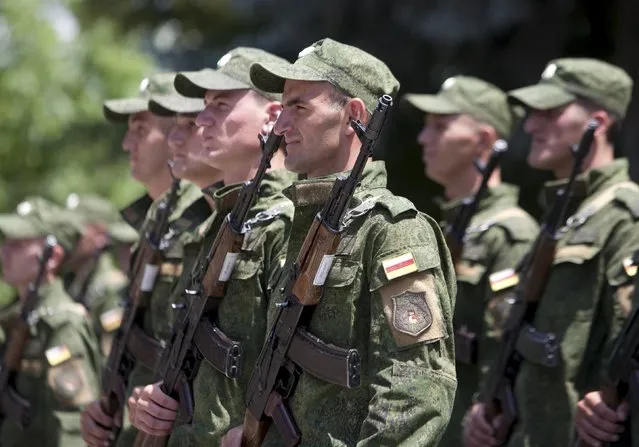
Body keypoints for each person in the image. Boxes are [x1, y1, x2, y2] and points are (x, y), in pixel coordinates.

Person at [219, 37, 457, 447]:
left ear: (354, 116)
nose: (279, 126)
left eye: (299, 107)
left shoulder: (392, 230)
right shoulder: (300, 226)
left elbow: (417, 391)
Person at [462, 58, 639, 447]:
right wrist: (486, 408)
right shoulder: (563, 216)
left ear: (599, 122)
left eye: (550, 112)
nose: (530, 125)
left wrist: (615, 404)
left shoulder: (625, 217)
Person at [125, 47, 296, 446]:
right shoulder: (220, 222)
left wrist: (259, 433)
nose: (202, 120)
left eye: (220, 105)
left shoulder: (286, 221)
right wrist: (150, 402)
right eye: (204, 107)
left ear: (271, 119)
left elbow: (294, 372)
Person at [80, 74, 216, 447]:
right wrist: (111, 404)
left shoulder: (207, 215)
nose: (127, 144)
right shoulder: (160, 218)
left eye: (140, 130)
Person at [405, 75, 539, 446]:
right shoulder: (440, 229)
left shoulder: (510, 233)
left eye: (440, 127)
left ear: (483, 140)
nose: (423, 138)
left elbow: (504, 343)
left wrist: (486, 407)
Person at [0, 196, 102, 446]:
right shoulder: (19, 317)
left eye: (19, 244)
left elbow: (72, 424)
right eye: (6, 243)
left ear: (53, 256)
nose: (4, 252)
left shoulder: (62, 324)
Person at [63, 193, 139, 357]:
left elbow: (110, 355)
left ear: (100, 235)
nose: (65, 237)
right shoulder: (73, 280)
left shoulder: (109, 287)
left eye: (75, 232)